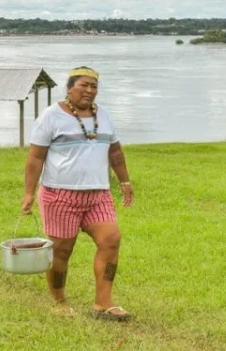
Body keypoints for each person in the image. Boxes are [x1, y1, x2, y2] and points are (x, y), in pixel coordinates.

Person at [21, 66, 134, 322]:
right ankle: (59, 301)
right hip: (60, 195)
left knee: (111, 240)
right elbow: (35, 158)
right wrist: (28, 193)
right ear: (69, 87)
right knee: (61, 251)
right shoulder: (50, 116)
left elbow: (115, 151)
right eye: (84, 85)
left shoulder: (103, 116)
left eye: (94, 86)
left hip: (98, 195)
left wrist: (124, 181)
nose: (89, 91)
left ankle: (103, 303)